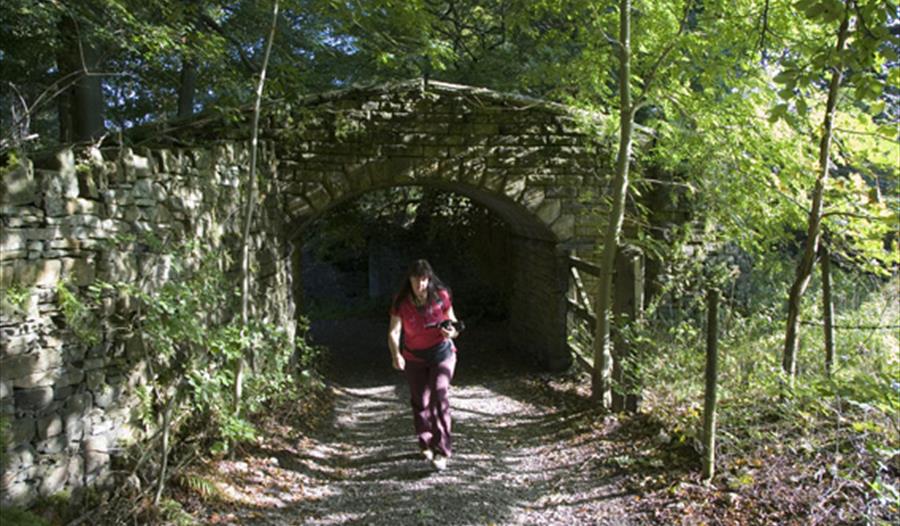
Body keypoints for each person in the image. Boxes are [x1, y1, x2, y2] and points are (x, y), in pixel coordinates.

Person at [388, 259, 461, 471]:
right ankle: (425, 442)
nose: (420, 285)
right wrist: (396, 355)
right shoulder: (401, 302)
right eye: (416, 280)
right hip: (415, 357)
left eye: (424, 279)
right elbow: (394, 331)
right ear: (409, 280)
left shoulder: (441, 296)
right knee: (420, 401)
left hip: (442, 354)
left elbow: (454, 322)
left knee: (439, 396)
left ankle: (442, 450)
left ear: (429, 279)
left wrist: (452, 332)